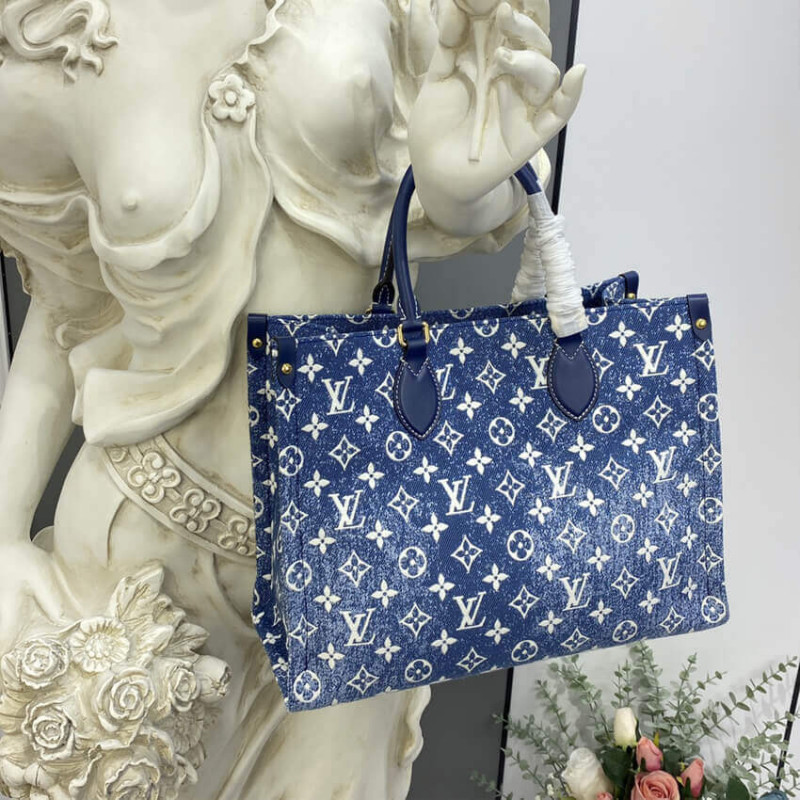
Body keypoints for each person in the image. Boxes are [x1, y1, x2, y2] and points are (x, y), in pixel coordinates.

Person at [0, 0, 583, 796]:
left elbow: (474, 182)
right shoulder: (64, 32)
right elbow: (65, 307)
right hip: (139, 556)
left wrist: (456, 191)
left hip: (353, 553)